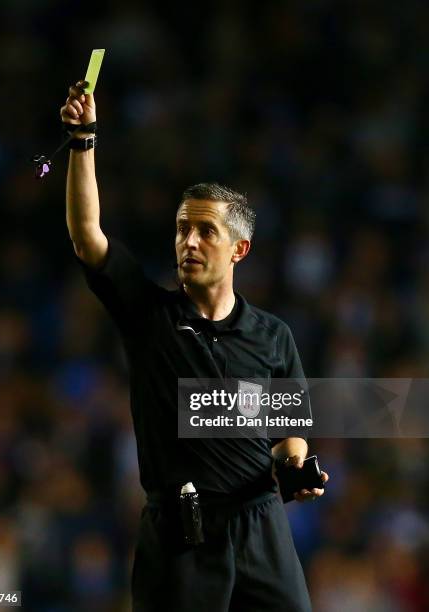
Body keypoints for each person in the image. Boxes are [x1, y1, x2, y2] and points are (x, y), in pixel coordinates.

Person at [60, 79, 329, 612]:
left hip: (260, 528)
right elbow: (87, 233)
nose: (189, 242)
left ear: (239, 249)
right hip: (181, 533)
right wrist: (84, 139)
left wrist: (296, 471)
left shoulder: (273, 335)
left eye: (206, 232)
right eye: (183, 229)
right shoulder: (149, 316)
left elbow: (288, 431)